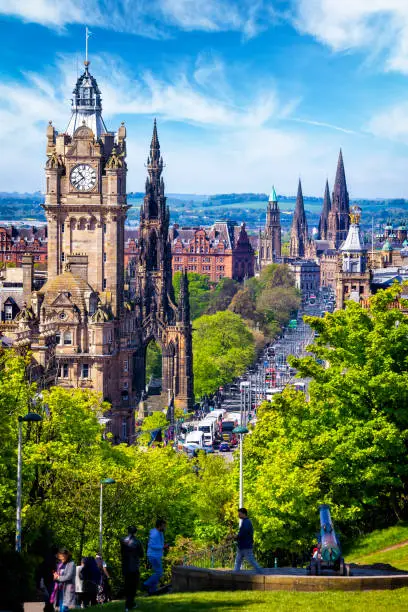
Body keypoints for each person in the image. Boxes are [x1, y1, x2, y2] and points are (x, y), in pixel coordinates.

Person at [120, 526, 144, 611]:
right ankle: (130, 603)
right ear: (135, 532)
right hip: (134, 567)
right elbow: (141, 554)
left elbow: (122, 552)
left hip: (125, 566)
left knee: (127, 585)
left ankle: (129, 603)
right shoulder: (137, 542)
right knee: (133, 585)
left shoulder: (123, 540)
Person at [234, 508, 263, 573]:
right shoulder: (245, 521)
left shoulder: (247, 522)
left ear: (244, 514)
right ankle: (235, 574)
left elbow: (243, 534)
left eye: (239, 514)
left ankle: (261, 573)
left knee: (251, 560)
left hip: (246, 546)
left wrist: (235, 537)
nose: (238, 515)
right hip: (242, 546)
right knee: (238, 561)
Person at [143, 519, 167, 595]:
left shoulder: (160, 532)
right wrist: (162, 547)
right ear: (160, 526)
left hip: (157, 555)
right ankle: (146, 584)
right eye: (164, 526)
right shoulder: (155, 534)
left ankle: (152, 590)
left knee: (157, 572)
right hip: (153, 555)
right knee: (159, 573)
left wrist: (163, 546)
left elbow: (159, 543)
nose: (165, 527)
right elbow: (151, 545)